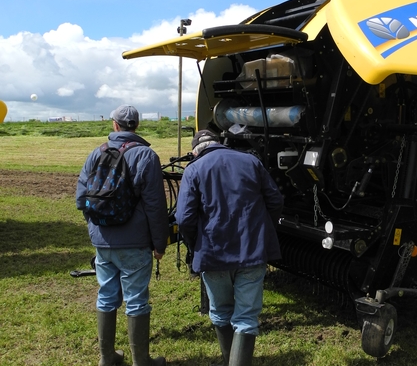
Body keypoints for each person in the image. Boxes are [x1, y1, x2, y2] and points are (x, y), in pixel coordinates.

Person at [176, 130, 284, 366]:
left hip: (212, 254)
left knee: (221, 312)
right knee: (246, 318)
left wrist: (196, 243)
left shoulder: (193, 169)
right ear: (218, 143)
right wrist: (261, 229)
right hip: (252, 251)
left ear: (196, 151)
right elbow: (275, 201)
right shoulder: (251, 162)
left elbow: (184, 218)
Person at [76, 105, 169, 366]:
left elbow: (81, 199)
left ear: (114, 125)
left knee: (106, 295)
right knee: (136, 300)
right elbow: (155, 205)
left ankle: (107, 358)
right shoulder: (147, 156)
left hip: (102, 241)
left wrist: (95, 228)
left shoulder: (96, 153)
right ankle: (142, 361)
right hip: (136, 243)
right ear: (136, 126)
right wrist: (159, 243)